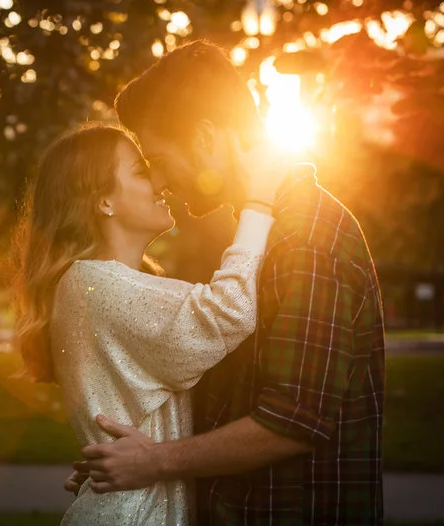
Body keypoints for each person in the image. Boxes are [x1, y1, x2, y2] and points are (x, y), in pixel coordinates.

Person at [65, 41, 390, 524]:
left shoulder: (308, 238)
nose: (161, 182)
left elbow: (291, 421)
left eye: (157, 158)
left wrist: (155, 462)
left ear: (204, 138)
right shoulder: (260, 234)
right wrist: (120, 458)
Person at [16, 124, 283, 525]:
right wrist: (258, 202)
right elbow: (228, 311)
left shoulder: (98, 283)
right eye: (141, 171)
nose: (160, 182)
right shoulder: (96, 285)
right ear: (102, 200)